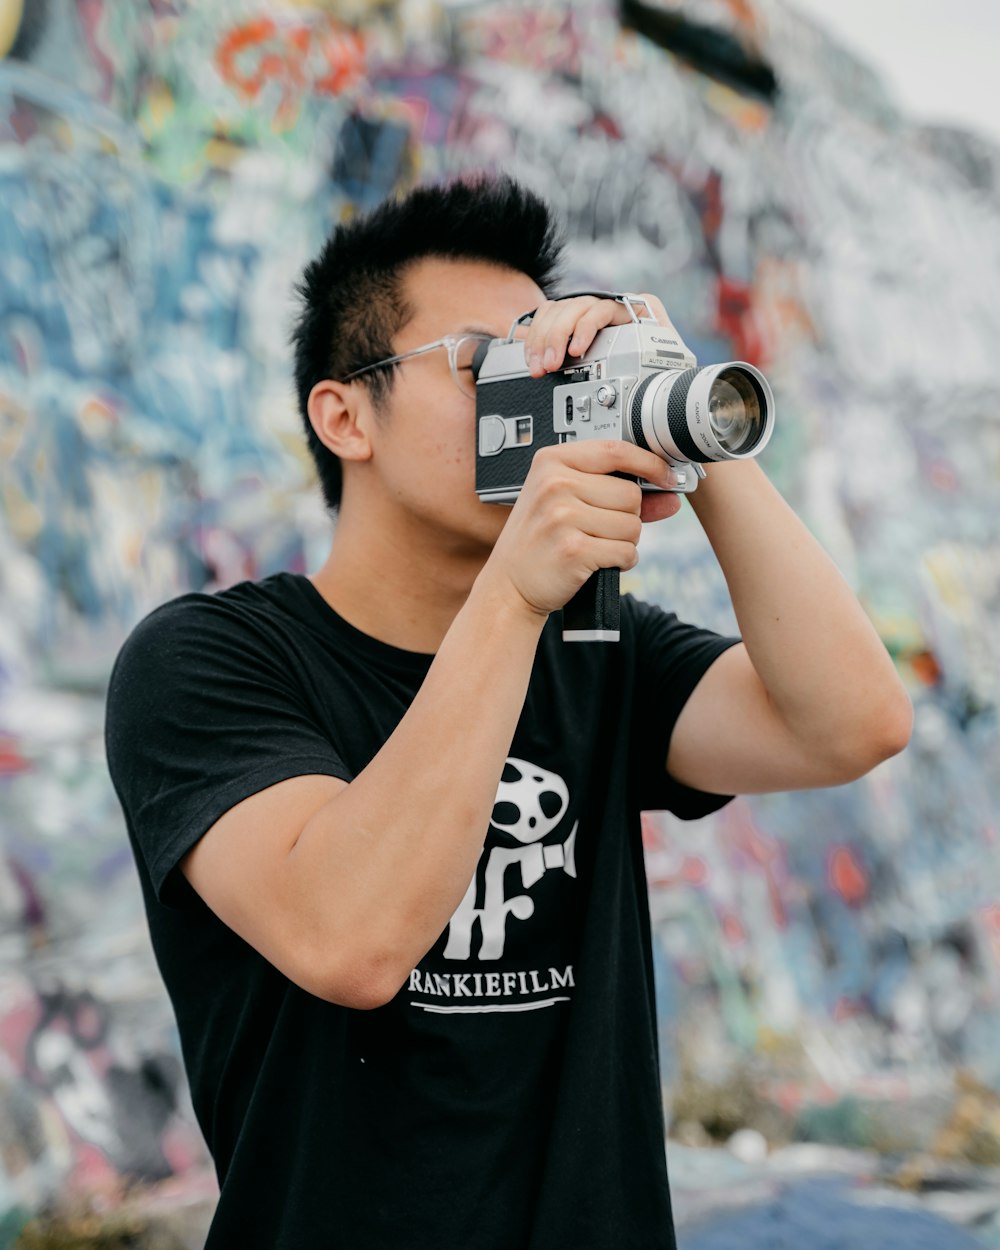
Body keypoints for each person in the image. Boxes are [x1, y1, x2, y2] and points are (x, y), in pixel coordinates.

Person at [104, 174, 912, 1249]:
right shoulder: (210, 660)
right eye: (487, 366)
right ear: (344, 414)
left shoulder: (596, 646)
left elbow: (849, 723)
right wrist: (517, 593)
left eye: (552, 365)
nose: (525, 396)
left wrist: (675, 414)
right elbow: (350, 936)